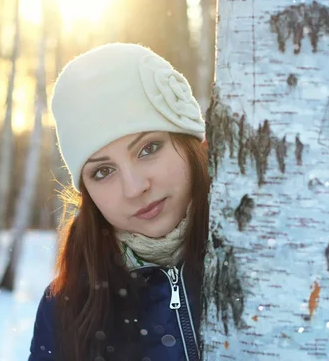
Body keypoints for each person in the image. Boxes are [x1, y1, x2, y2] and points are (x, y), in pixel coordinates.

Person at [28, 43, 209, 361]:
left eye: (149, 148)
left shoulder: (264, 252)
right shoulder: (66, 307)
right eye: (103, 171)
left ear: (189, 141)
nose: (135, 188)